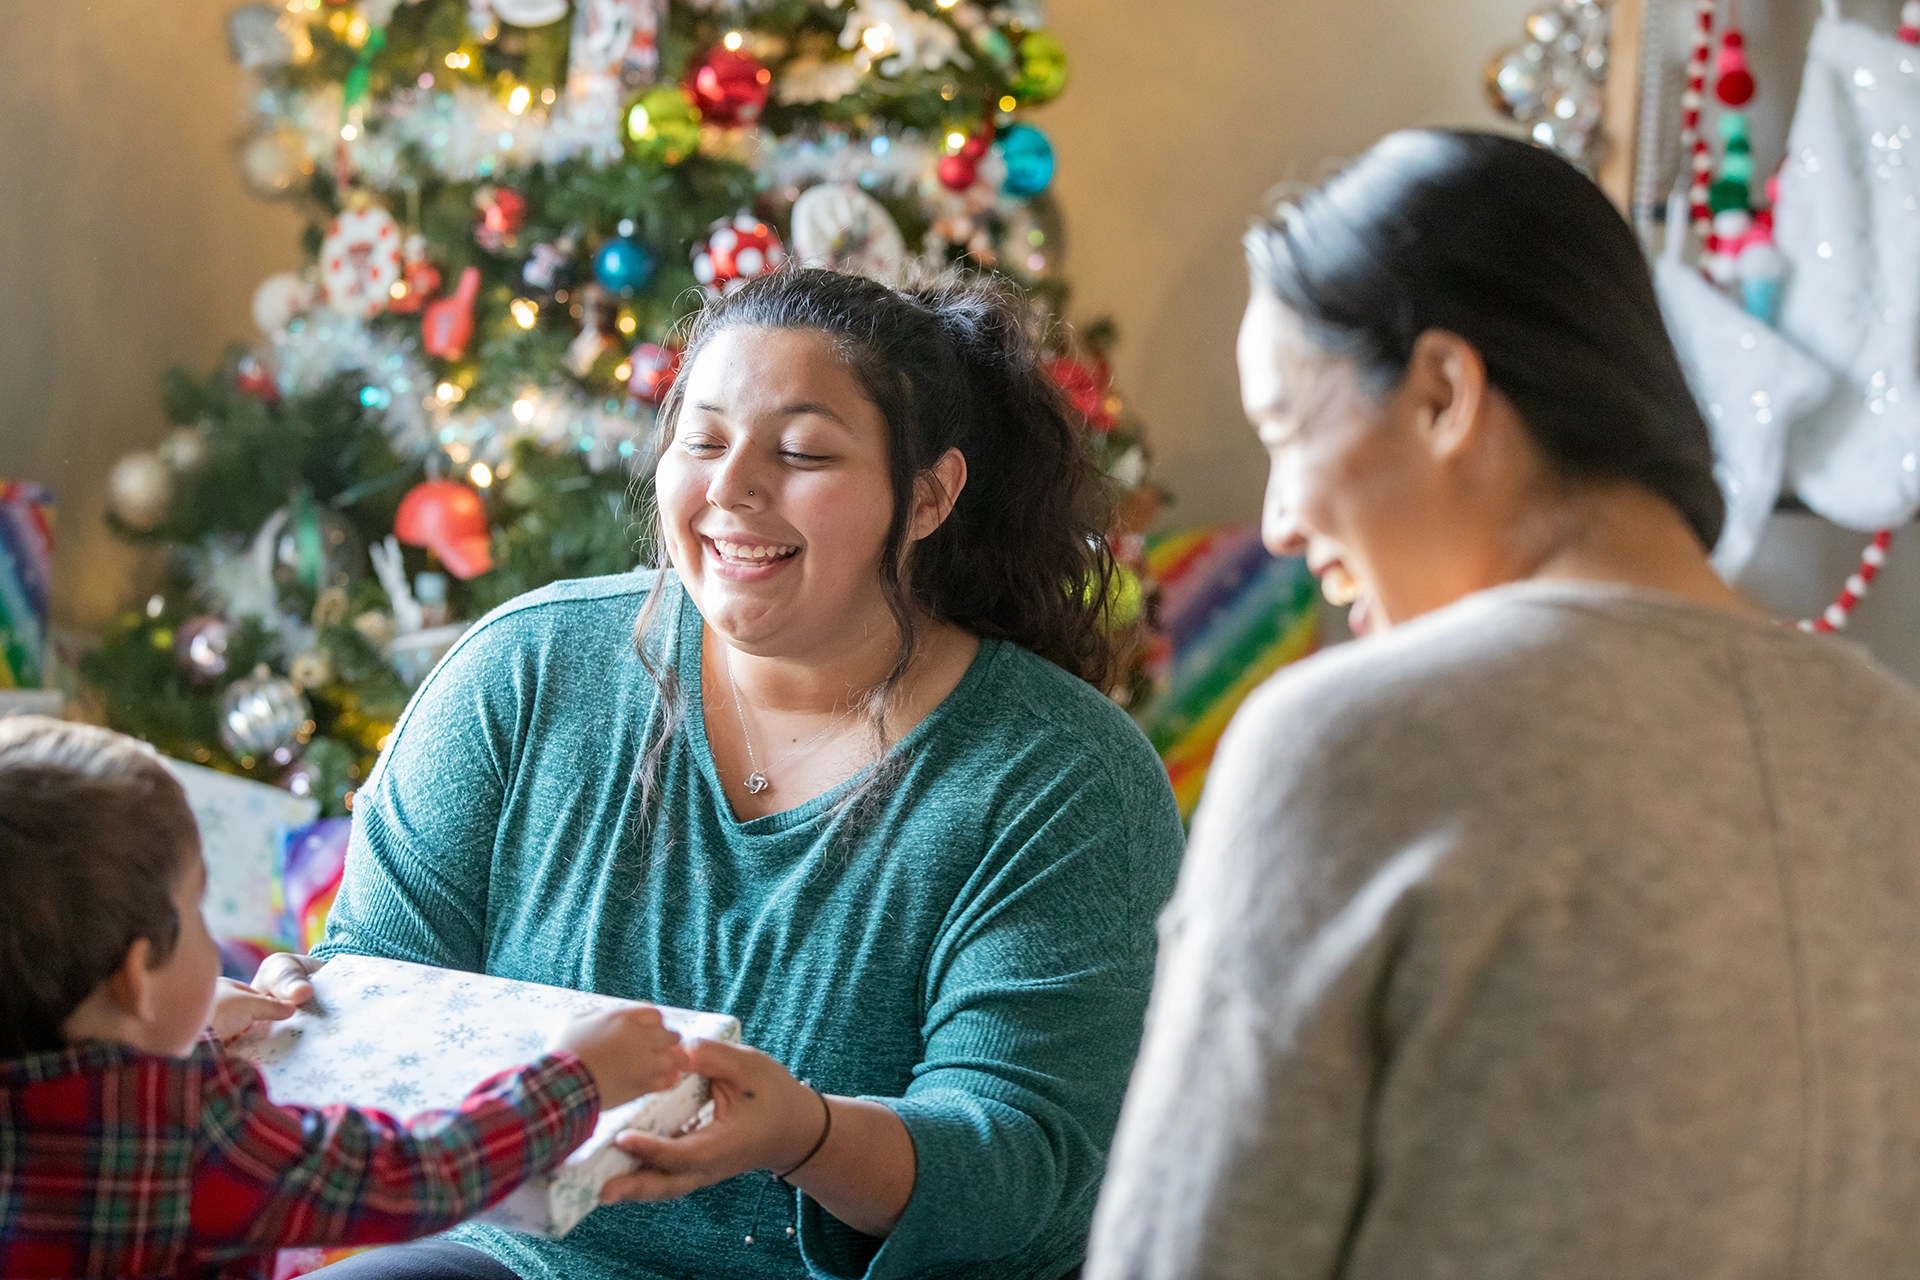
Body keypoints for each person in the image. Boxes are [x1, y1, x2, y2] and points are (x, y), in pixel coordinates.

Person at [1086, 129, 1920, 1279]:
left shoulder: (1347, 742)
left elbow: (1188, 1253)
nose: (1278, 521)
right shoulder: (1893, 743)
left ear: (1442, 393)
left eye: (1286, 430)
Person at [258, 268, 1186, 1280]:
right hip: (520, 1263)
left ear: (928, 495)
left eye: (800, 452)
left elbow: (1022, 1163)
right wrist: (305, 1014)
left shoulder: (1064, 776)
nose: (731, 486)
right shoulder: (524, 668)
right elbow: (387, 982)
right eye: (701, 440)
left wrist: (806, 1133)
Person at [0, 715, 688, 1280]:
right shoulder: (185, 1135)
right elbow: (413, 1174)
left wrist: (189, 1027)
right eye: (197, 911)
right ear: (134, 979)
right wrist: (574, 1079)